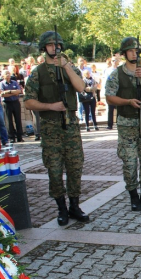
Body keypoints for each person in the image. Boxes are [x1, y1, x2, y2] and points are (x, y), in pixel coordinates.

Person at [24, 30, 90, 226]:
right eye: (51, 45)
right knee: (54, 170)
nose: (55, 48)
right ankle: (61, 208)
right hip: (50, 128)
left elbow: (80, 88)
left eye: (58, 45)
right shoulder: (38, 73)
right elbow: (28, 102)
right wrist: (50, 106)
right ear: (44, 48)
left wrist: (67, 67)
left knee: (75, 167)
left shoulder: (69, 68)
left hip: (71, 127)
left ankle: (74, 206)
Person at [105, 37, 141, 211]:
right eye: (130, 51)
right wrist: (127, 101)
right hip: (126, 125)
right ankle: (133, 195)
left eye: (136, 51)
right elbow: (109, 97)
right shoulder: (117, 74)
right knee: (129, 163)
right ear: (124, 53)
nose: (133, 54)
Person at [0, 70, 24, 143]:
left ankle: (20, 136)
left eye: (8, 73)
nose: (8, 75)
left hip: (15, 102)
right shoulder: (2, 84)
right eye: (6, 74)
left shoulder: (14, 82)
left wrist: (8, 92)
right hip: (7, 103)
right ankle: (12, 137)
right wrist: (13, 92)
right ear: (3, 76)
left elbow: (19, 91)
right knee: (9, 120)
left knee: (18, 119)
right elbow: (2, 94)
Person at [104, 57, 119, 129]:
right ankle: (110, 124)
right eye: (113, 60)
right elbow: (106, 81)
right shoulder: (108, 70)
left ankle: (119, 123)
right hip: (111, 91)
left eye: (116, 60)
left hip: (118, 91)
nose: (114, 61)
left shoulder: (120, 70)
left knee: (119, 108)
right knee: (110, 109)